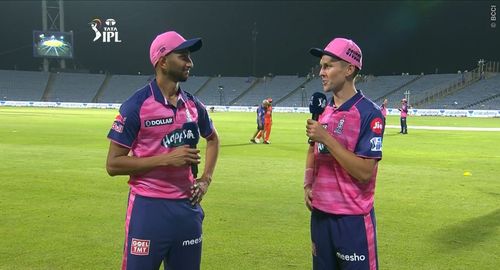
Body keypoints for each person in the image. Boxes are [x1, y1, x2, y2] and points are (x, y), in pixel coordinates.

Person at [106, 30, 220, 270]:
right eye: (183, 56)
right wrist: (167, 159)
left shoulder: (193, 104)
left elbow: (213, 139)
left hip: (187, 209)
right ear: (163, 60)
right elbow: (113, 164)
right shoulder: (136, 105)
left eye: (189, 56)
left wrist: (206, 180)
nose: (190, 62)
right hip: (148, 210)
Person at [305, 37, 384, 270]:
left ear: (349, 69)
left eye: (328, 66)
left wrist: (326, 137)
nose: (321, 72)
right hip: (320, 217)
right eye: (321, 66)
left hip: (352, 221)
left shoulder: (369, 113)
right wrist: (308, 183)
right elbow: (313, 148)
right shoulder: (324, 110)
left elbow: (364, 172)